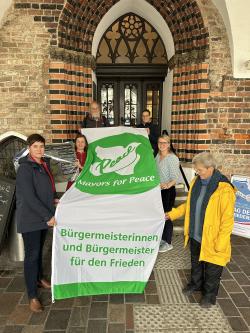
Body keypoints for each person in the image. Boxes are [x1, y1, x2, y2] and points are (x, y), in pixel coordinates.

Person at [166, 152, 236, 308]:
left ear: (210, 168)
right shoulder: (196, 182)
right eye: (196, 169)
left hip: (214, 238)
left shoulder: (224, 189)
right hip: (196, 234)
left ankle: (209, 296)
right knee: (196, 263)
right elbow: (189, 206)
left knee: (212, 270)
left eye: (200, 170)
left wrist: (221, 242)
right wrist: (171, 214)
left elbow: (227, 220)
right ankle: (195, 284)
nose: (197, 172)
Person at [16, 134, 57, 313]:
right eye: (35, 147)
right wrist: (48, 215)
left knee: (39, 250)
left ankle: (39, 279)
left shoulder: (43, 164)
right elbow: (30, 198)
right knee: (32, 256)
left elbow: (46, 189)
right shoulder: (25, 169)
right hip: (31, 218)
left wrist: (54, 201)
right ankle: (32, 296)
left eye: (41, 146)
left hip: (42, 216)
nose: (39, 150)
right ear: (29, 148)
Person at [155, 135, 180, 252]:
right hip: (157, 191)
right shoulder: (157, 156)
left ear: (169, 144)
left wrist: (166, 185)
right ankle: (160, 239)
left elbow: (175, 178)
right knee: (159, 215)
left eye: (165, 143)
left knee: (167, 215)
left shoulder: (172, 158)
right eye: (160, 142)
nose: (162, 145)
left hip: (167, 191)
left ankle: (168, 242)